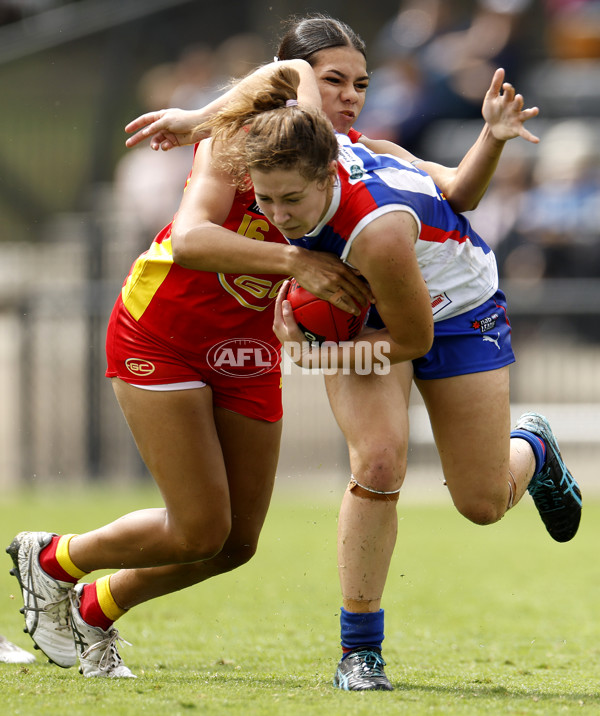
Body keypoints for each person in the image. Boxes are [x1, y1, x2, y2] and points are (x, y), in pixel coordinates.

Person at [6, 15, 543, 682]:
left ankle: (94, 604)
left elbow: (452, 194)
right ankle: (53, 560)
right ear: (298, 88)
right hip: (167, 332)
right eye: (333, 82)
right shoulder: (233, 143)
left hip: (254, 343)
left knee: (235, 545)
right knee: (213, 523)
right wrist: (206, 127)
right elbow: (192, 240)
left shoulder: (352, 155)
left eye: (361, 83)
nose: (349, 96)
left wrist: (490, 138)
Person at [181, 64, 582, 692]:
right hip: (369, 303)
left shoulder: (376, 227)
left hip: (455, 311)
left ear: (326, 175)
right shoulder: (311, 133)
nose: (281, 217)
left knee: (480, 504)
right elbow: (289, 68)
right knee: (377, 463)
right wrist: (197, 120)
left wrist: (318, 357)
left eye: (294, 200)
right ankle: (359, 652)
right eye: (265, 200)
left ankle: (532, 445)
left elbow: (412, 340)